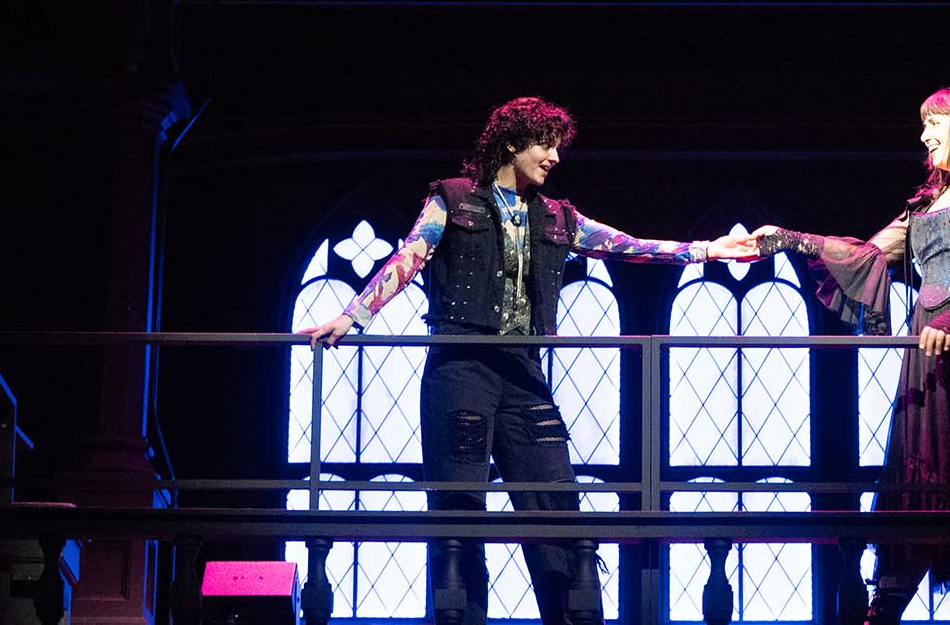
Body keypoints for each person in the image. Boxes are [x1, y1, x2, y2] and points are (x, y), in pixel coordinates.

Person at [304, 96, 758, 625]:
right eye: (546, 145)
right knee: (460, 512)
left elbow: (628, 246)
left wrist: (708, 250)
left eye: (558, 147)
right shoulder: (454, 199)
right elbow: (410, 255)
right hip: (461, 367)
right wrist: (353, 316)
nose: (555, 158)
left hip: (523, 374)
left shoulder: (557, 217)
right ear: (513, 143)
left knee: (555, 502)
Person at [751, 85, 950, 625]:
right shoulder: (927, 203)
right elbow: (868, 254)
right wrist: (790, 240)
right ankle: (885, 609)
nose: (923, 136)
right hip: (930, 360)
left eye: (934, 124)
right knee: (918, 488)